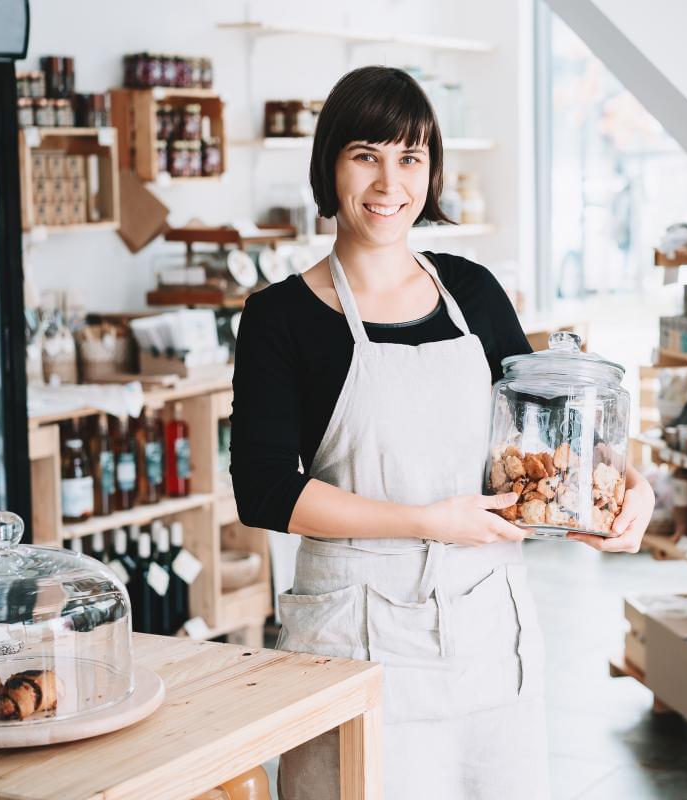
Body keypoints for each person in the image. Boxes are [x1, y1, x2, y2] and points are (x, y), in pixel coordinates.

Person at [230, 65, 655, 799]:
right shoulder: (281, 319)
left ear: (431, 172)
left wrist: (623, 488)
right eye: (366, 154)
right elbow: (265, 491)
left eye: (411, 157)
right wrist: (427, 522)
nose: (389, 182)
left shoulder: (473, 291)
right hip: (357, 643)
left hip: (490, 637)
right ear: (329, 165)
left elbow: (548, 428)